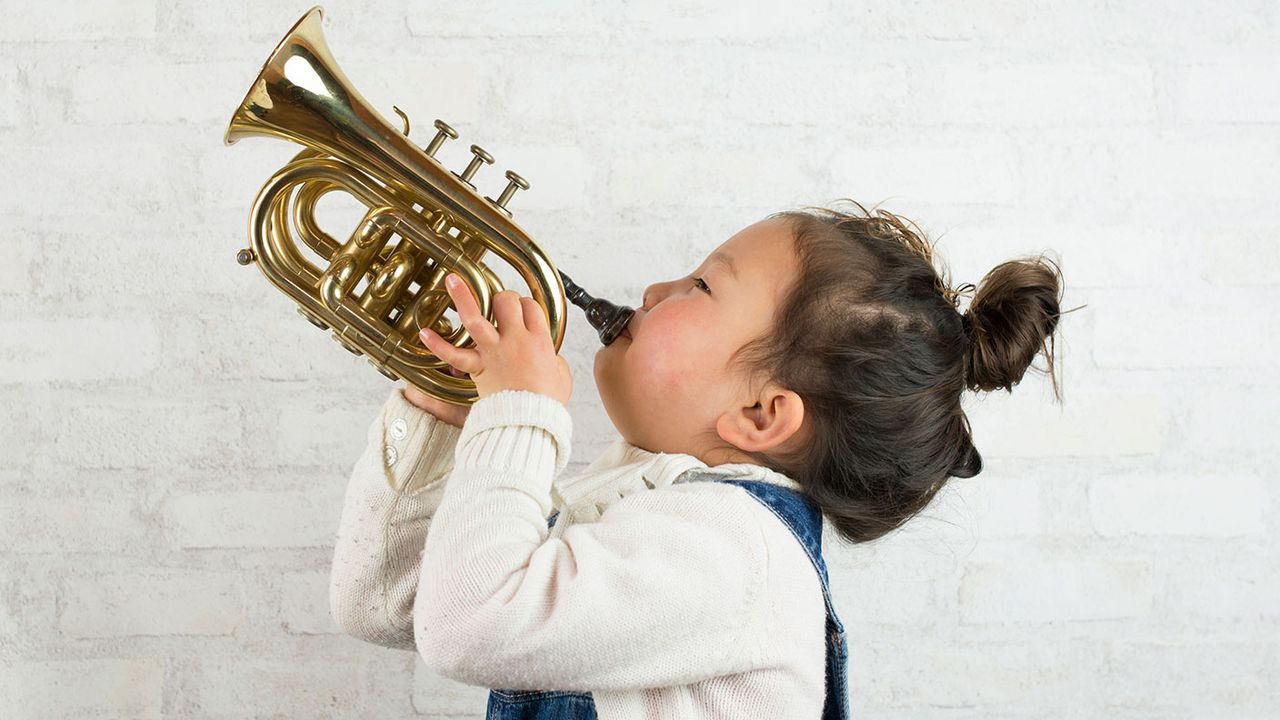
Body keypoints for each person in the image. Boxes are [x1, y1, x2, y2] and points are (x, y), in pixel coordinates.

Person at [329, 199, 1067, 719]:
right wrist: (446, 420)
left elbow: (470, 628)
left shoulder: (735, 552)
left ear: (759, 415)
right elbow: (383, 605)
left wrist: (520, 416)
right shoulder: (642, 506)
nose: (655, 289)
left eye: (702, 285)